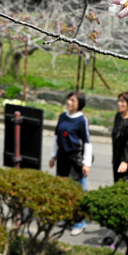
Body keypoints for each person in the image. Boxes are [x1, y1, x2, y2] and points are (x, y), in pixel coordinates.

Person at [49, 91, 91, 236]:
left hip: (75, 158)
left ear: (79, 104)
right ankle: (67, 217)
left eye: (73, 100)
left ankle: (80, 222)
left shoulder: (81, 120)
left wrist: (86, 163)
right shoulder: (62, 117)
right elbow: (56, 137)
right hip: (62, 157)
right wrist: (53, 156)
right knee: (63, 187)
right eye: (68, 99)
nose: (69, 102)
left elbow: (87, 142)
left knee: (78, 190)